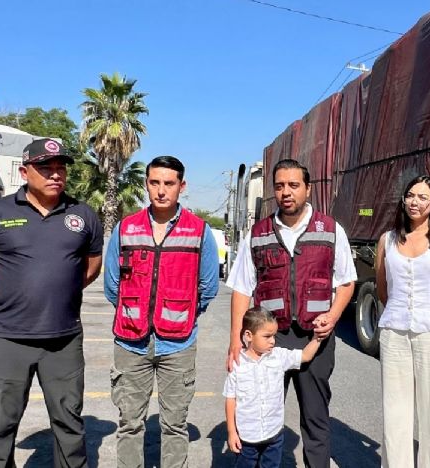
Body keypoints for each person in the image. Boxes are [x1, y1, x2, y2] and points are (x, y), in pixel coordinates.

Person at [0, 138, 103, 468]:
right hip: (7, 339)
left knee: (69, 426)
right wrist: (10, 300)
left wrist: (59, 294)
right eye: (45, 168)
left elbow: (91, 266)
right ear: (25, 171)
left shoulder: (83, 215)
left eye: (60, 168)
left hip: (64, 340)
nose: (55, 174)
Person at [227, 158, 357, 468]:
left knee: (315, 418)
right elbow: (242, 288)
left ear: (308, 189)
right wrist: (235, 340)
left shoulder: (330, 229)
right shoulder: (257, 233)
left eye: (294, 185)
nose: (287, 192)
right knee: (258, 411)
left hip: (316, 338)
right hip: (270, 340)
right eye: (280, 186)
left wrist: (334, 315)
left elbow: (347, 281)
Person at [104, 155, 219, 468]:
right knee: (129, 423)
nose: (161, 190)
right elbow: (112, 285)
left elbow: (208, 287)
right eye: (154, 182)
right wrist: (136, 314)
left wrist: (181, 315)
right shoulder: (126, 228)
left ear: (182, 186)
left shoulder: (198, 231)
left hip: (178, 345)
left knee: (174, 425)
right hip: (130, 342)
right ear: (146, 184)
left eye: (169, 183)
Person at [374, 175, 430, 468]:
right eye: (410, 195)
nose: (415, 202)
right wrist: (401, 312)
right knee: (395, 410)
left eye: (422, 197)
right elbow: (382, 287)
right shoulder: (387, 240)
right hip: (394, 332)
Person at [224, 307, 321, 468]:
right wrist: (232, 432)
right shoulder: (237, 364)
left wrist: (317, 337)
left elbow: (305, 356)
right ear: (249, 335)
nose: (272, 341)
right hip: (247, 438)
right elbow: (230, 399)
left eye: (274, 336)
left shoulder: (278, 356)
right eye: (267, 336)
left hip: (274, 434)